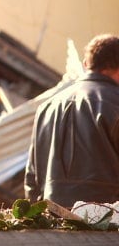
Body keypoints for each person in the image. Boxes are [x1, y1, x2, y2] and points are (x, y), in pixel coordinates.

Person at [25, 33, 119, 208]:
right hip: (107, 222)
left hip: (54, 219)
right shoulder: (115, 104)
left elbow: (32, 179)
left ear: (86, 64)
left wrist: (41, 220)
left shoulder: (47, 107)